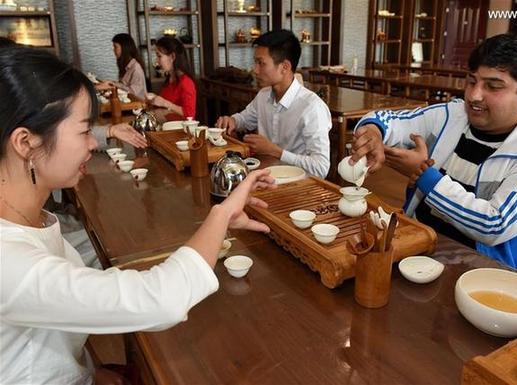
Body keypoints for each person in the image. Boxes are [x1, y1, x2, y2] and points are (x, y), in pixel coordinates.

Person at [0, 47, 275, 385]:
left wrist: (89, 370)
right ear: (25, 142)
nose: (92, 143)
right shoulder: (8, 261)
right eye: (85, 130)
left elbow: (48, 327)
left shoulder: (29, 217)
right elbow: (159, 299)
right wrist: (222, 213)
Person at [351, 33, 517, 270]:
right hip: (415, 246)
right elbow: (388, 119)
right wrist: (373, 131)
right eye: (472, 81)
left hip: (481, 272)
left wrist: (426, 177)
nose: (474, 95)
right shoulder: (451, 115)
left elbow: (494, 224)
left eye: (493, 86)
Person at [215, 29, 332, 179]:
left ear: (285, 67)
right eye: (255, 62)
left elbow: (321, 168)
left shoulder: (312, 107)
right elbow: (244, 119)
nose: (255, 70)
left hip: (298, 187)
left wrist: (275, 151)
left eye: (261, 63)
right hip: (265, 178)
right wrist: (232, 120)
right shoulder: (263, 96)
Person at [147, 36, 197, 121]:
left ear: (172, 57)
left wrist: (164, 103)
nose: (157, 61)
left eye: (159, 56)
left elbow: (190, 115)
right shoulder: (170, 79)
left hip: (178, 131)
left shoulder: (186, 82)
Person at [95, 33, 148, 100]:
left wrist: (113, 85)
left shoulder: (136, 68)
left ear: (124, 48)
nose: (113, 50)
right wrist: (112, 83)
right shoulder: (126, 65)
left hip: (137, 106)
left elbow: (133, 93)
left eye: (115, 47)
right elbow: (124, 86)